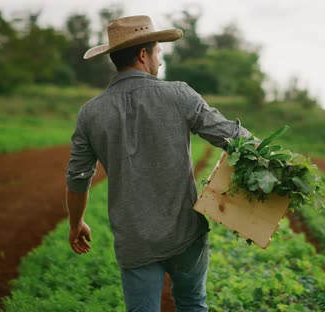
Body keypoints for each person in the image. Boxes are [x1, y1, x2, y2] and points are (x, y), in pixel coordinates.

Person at [65, 15, 252, 311]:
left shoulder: (91, 113)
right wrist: (273, 159)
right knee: (193, 304)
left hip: (135, 240)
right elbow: (230, 136)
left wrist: (76, 223)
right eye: (159, 53)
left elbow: (78, 176)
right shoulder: (179, 94)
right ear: (143, 55)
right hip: (186, 234)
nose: (160, 61)